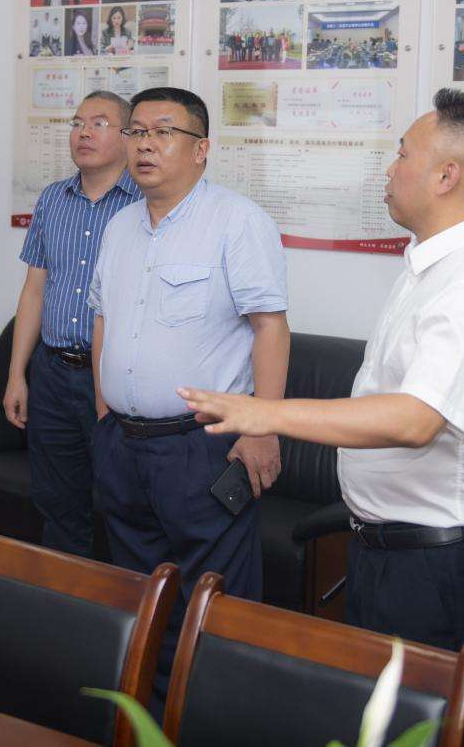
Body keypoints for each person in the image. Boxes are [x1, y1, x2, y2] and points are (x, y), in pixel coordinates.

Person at [180, 88, 464, 711]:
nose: (389, 169)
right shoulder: (430, 267)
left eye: (402, 154)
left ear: (446, 176)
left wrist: (265, 413)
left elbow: (416, 419)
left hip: (441, 567)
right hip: (387, 553)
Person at [90, 86, 290, 712]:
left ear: (201, 149)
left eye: (163, 132)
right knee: (140, 599)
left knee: (215, 606)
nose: (144, 145)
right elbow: (102, 318)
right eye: (136, 132)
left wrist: (262, 428)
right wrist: (103, 412)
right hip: (123, 446)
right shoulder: (119, 226)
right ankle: (148, 720)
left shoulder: (237, 221)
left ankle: (218, 721)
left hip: (201, 448)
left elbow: (270, 327)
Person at [4, 91, 141, 558]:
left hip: (116, 379)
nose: (83, 132)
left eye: (99, 123)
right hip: (53, 373)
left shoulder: (144, 205)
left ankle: (129, 601)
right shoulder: (52, 199)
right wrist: (17, 374)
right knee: (57, 502)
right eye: (78, 123)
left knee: (125, 501)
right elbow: (34, 291)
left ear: (128, 137)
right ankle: (67, 596)